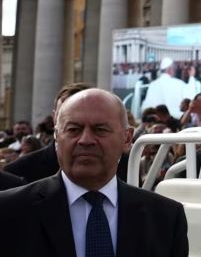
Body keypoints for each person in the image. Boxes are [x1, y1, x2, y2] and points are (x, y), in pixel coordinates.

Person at [0, 89, 189, 256]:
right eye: (74, 129)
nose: (85, 140)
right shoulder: (9, 211)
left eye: (100, 130)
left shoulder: (165, 217)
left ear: (127, 138)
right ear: (57, 138)